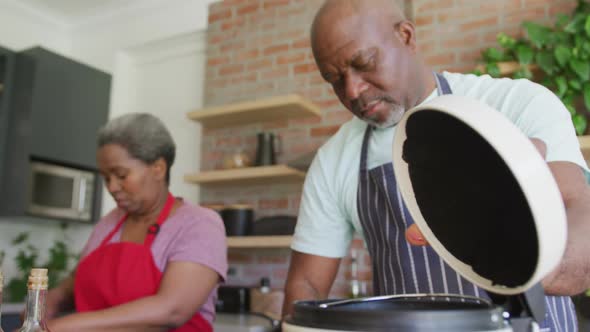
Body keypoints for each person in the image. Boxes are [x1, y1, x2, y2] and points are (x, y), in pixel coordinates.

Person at [282, 0, 590, 330]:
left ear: (406, 35)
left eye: (364, 63)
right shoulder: (333, 161)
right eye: (334, 78)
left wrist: (500, 238)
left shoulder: (518, 105)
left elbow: (582, 248)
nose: (352, 90)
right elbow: (306, 288)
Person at [43, 113, 227, 332]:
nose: (111, 187)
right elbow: (73, 283)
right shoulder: (109, 223)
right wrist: (51, 300)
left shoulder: (199, 224)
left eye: (120, 175)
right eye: (105, 177)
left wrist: (59, 327)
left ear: (158, 168)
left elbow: (171, 310)